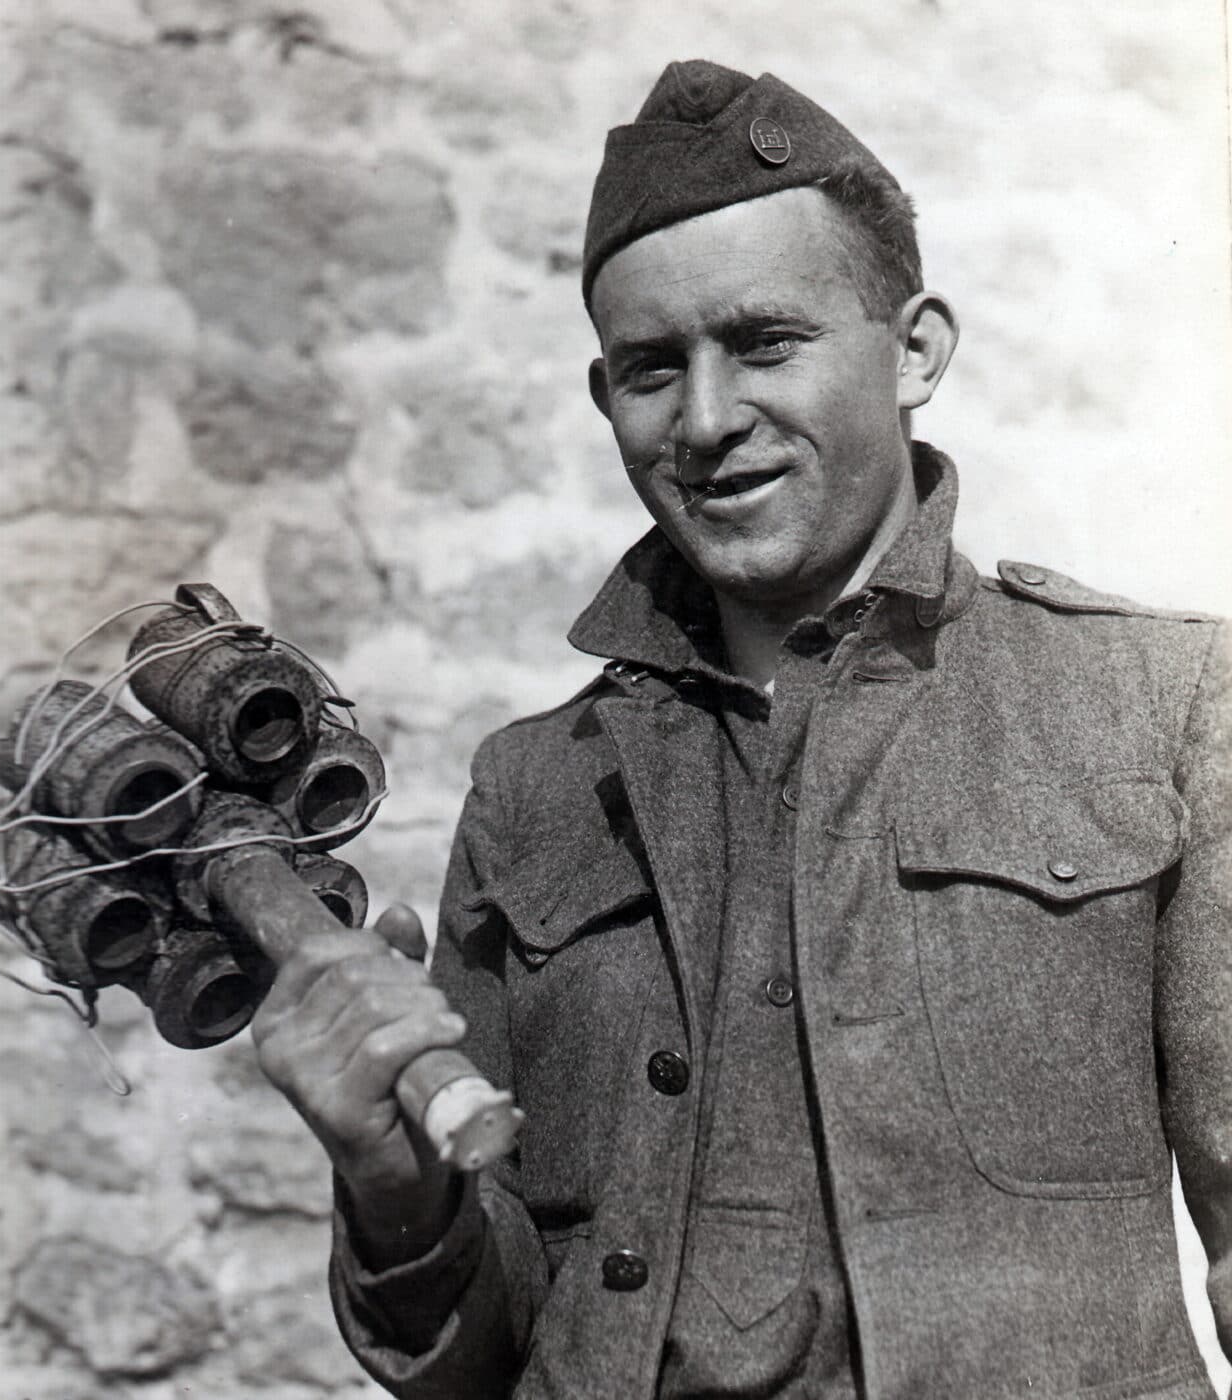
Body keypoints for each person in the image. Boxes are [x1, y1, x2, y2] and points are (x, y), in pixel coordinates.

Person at [251, 60, 1232, 1398]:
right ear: (607, 401)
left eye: (765, 343)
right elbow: (471, 1360)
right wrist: (390, 1183)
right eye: (653, 370)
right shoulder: (530, 788)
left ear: (917, 349)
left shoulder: (1162, 707)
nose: (707, 422)